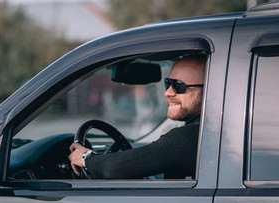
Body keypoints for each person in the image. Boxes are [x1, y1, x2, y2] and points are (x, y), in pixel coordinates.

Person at [68, 55, 206, 179]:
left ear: (207, 90)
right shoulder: (208, 132)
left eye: (178, 86)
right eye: (168, 83)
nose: (168, 92)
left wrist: (86, 158)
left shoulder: (191, 136)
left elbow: (111, 169)